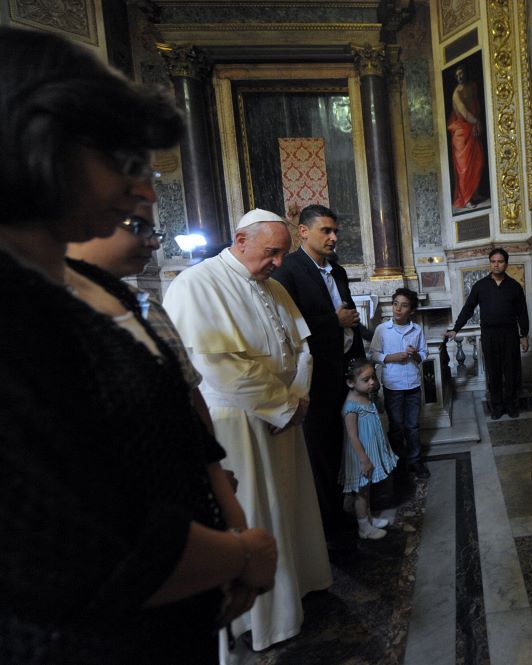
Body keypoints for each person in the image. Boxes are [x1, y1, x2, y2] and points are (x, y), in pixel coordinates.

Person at [0, 26, 276, 664]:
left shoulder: (80, 295)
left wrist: (225, 527)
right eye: (123, 162)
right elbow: (82, 552)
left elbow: (165, 430)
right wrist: (243, 552)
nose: (147, 190)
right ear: (41, 145)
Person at [163, 209, 332, 654]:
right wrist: (284, 406)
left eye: (281, 254)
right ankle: (263, 620)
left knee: (288, 510)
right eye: (271, 252)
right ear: (241, 240)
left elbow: (301, 349)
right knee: (258, 514)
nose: (278, 263)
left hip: (283, 418)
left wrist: (297, 401)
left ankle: (298, 589)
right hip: (239, 424)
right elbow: (219, 368)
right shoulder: (196, 286)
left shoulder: (274, 286)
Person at [67, 206, 246, 531]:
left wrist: (213, 474)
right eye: (138, 227)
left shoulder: (143, 303)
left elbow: (189, 396)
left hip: (181, 487)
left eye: (155, 232)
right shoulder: (49, 309)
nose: (153, 243)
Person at [270, 204, 365, 550]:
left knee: (349, 443)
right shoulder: (290, 270)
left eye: (335, 231)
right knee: (321, 450)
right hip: (317, 376)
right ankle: (329, 524)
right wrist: (333, 322)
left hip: (346, 372)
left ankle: (348, 508)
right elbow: (286, 324)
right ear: (303, 232)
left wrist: (362, 366)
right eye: (326, 230)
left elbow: (350, 316)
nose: (333, 237)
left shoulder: (336, 270)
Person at [445, 248, 529, 420]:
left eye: (500, 261)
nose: (496, 265)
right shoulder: (481, 286)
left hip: (510, 334)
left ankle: (512, 405)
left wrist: (524, 335)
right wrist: (456, 328)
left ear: (506, 264)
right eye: (493, 261)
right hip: (489, 334)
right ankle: (497, 406)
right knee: (494, 371)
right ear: (490, 263)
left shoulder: (515, 286)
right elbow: (468, 309)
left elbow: (522, 312)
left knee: (511, 371)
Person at [371, 288, 430, 479]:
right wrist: (391, 357)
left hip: (412, 384)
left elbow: (423, 354)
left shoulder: (417, 330)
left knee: (412, 426)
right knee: (396, 426)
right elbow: (374, 354)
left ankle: (415, 461)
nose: (398, 309)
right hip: (393, 385)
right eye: (395, 303)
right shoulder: (382, 329)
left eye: (404, 305)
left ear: (411, 310)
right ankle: (397, 461)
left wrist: (415, 355)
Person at [341, 358, 399, 540]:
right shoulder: (351, 406)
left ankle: (369, 518)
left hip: (370, 450)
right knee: (361, 492)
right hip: (361, 454)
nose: (372, 382)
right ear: (351, 382)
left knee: (367, 490)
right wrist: (364, 459)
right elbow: (352, 436)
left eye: (372, 378)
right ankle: (363, 528)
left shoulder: (365, 397)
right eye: (366, 380)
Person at [447, 65, 486, 211]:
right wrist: (476, 122)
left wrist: (476, 122)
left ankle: (474, 193)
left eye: (461, 73)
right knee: (464, 169)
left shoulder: (472, 86)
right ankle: (467, 198)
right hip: (461, 134)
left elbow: (476, 107)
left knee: (478, 162)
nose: (460, 77)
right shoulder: (456, 94)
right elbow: (464, 113)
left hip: (472, 130)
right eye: (457, 75)